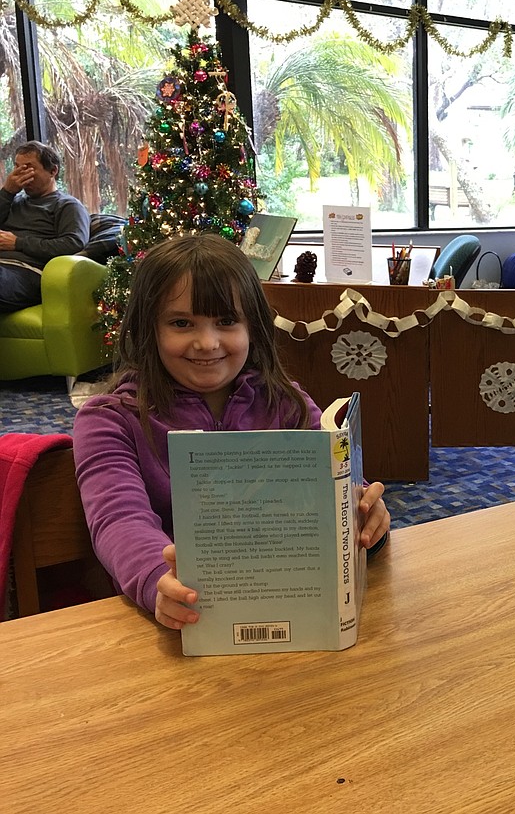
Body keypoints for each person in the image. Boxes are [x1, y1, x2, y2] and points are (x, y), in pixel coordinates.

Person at [73, 234, 391, 631]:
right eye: (181, 323)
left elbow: (340, 499)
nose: (206, 343)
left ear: (253, 327)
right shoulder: (110, 419)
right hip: (182, 616)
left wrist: (366, 518)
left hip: (289, 604)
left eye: (226, 321)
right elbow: (118, 520)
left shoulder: (286, 402)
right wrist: (158, 577)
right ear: (148, 328)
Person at [0, 140, 90, 313]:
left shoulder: (67, 205)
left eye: (28, 167)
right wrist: (7, 192)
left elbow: (74, 243)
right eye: (17, 167)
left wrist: (18, 243)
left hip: (26, 272)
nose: (21, 173)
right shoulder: (11, 201)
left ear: (53, 171)